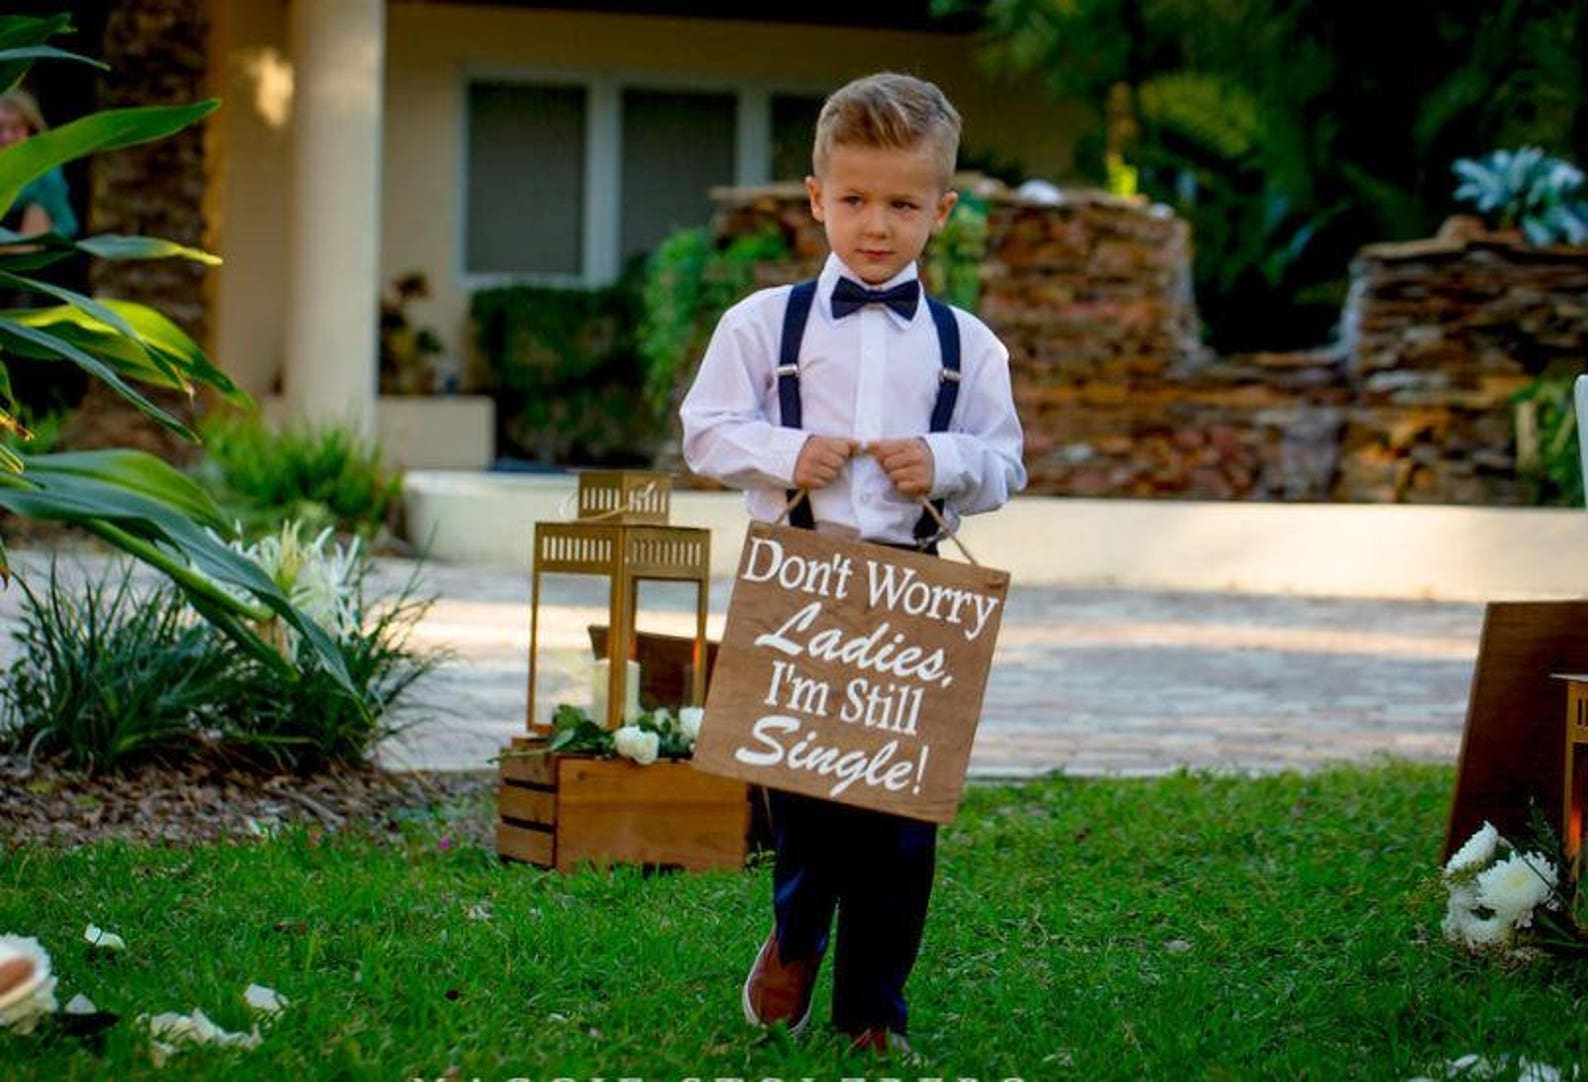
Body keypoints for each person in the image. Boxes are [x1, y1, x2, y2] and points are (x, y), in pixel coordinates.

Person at [679, 71, 1026, 1055]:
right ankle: (795, 935)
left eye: (904, 205)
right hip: (799, 583)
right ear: (816, 197)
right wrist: (786, 451)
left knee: (900, 819)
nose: (877, 224)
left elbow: (1006, 462)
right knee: (803, 797)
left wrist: (945, 461)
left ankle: (873, 1009)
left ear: (941, 211)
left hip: (914, 596)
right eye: (856, 199)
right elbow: (706, 432)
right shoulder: (762, 325)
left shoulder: (968, 346)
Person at [0, 89, 78, 240]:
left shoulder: (44, 173)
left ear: (30, 130)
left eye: (16, 128)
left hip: (24, 245)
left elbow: (67, 224)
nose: (6, 137)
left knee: (37, 212)